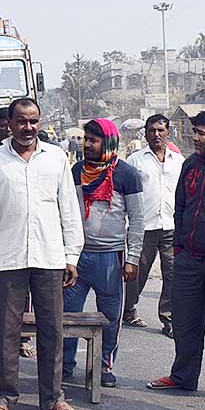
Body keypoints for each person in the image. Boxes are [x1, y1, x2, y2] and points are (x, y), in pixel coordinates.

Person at [0, 98, 85, 410]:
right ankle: (3, 398)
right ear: (8, 122)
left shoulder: (56, 159)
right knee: (6, 331)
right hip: (8, 259)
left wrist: (71, 256)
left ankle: (52, 399)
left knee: (52, 329)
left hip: (49, 257)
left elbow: (69, 211)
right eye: (21, 121)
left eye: (34, 121)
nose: (28, 128)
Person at [146, 110, 205, 409]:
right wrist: (180, 247)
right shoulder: (191, 164)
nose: (195, 138)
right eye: (194, 132)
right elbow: (180, 207)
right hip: (188, 257)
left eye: (201, 133)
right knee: (185, 322)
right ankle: (183, 376)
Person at [62, 118, 143, 389]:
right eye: (86, 139)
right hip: (76, 257)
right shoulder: (75, 171)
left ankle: (103, 366)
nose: (88, 145)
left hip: (111, 258)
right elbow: (67, 213)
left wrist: (132, 259)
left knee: (109, 318)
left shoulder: (127, 174)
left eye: (94, 140)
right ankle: (64, 365)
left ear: (108, 142)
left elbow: (137, 220)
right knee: (68, 316)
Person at [124, 114, 182, 336]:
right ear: (146, 133)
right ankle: (128, 309)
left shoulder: (179, 161)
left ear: (168, 132)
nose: (156, 134)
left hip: (170, 225)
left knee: (172, 274)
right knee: (136, 272)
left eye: (161, 130)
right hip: (143, 227)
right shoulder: (135, 161)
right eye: (152, 130)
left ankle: (169, 320)